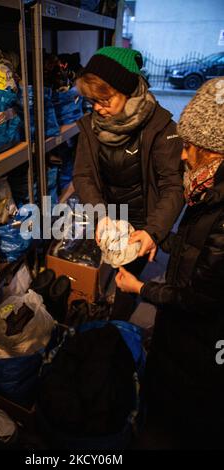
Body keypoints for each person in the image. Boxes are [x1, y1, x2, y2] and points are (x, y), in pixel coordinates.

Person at [115, 77, 224, 449]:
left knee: (181, 414)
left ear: (214, 151)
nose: (182, 154)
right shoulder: (210, 191)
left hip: (201, 346)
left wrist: (140, 289)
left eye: (190, 146)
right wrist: (158, 239)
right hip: (184, 340)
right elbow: (199, 248)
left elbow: (198, 298)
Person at [73, 46, 184, 320]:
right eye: (92, 101)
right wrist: (100, 216)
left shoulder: (160, 127)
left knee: (128, 277)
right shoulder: (91, 126)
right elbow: (83, 175)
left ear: (128, 90)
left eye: (104, 100)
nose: (97, 108)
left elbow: (173, 186)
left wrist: (153, 231)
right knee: (111, 260)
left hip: (145, 217)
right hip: (111, 214)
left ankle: (118, 324)